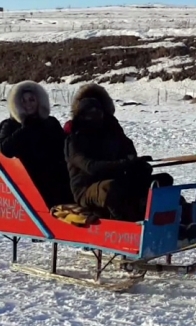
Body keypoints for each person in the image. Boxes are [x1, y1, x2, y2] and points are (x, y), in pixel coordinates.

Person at [64, 83, 173, 221]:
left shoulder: (111, 131)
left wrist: (137, 163)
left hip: (118, 180)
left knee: (162, 179)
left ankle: (171, 216)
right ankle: (125, 223)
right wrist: (124, 163)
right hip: (86, 189)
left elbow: (128, 151)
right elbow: (90, 167)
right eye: (89, 113)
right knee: (110, 188)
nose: (94, 117)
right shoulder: (75, 140)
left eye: (98, 112)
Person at [0, 80, 74, 208]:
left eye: (32, 100)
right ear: (17, 103)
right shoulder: (10, 125)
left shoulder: (50, 122)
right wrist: (26, 128)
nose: (28, 104)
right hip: (26, 181)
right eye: (23, 100)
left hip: (55, 178)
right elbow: (5, 150)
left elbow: (65, 147)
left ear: (39, 101)